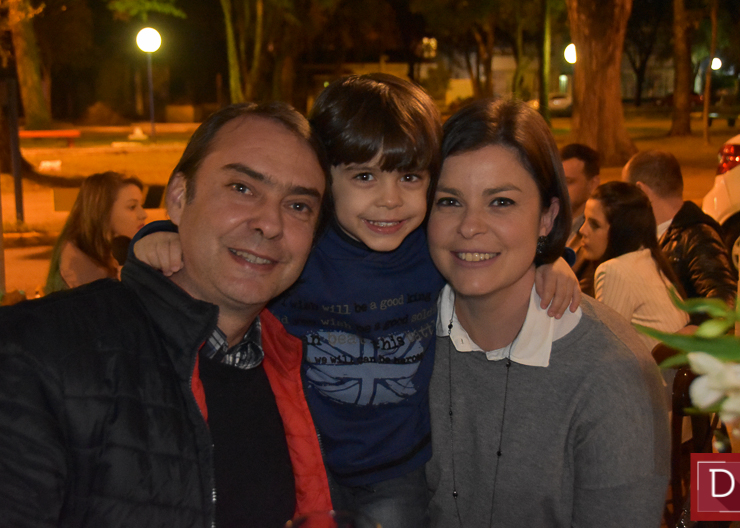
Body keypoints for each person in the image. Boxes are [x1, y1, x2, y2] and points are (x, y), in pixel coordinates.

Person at [134, 74, 580, 527]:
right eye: (364, 176)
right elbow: (217, 247)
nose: (390, 200)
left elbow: (489, 252)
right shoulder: (302, 248)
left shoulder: (430, 249)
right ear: (325, 179)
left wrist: (550, 260)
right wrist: (162, 234)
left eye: (410, 177)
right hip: (304, 457)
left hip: (398, 470)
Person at [0, 103, 332, 527]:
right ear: (178, 197)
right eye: (242, 188)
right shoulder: (32, 351)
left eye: (299, 206)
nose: (270, 223)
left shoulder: (302, 367)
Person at [426, 100, 670, 527]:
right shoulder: (400, 333)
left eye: (501, 202)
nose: (469, 226)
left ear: (548, 217)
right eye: (449, 201)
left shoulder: (612, 372)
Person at [622, 150, 737, 316]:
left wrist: (690, 329)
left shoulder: (697, 236)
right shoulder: (647, 235)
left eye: (628, 193)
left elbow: (724, 298)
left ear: (642, 191)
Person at [580, 181, 690, 350]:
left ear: (620, 232)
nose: (582, 230)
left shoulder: (614, 270)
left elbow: (605, 351)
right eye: (584, 220)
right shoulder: (648, 260)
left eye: (594, 224)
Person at [44, 171, 147, 293]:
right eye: (132, 207)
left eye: (142, 205)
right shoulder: (79, 261)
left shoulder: (111, 250)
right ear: (103, 210)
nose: (143, 214)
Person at [560, 143, 600, 296]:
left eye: (568, 181)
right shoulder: (543, 223)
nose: (560, 188)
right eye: (557, 181)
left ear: (593, 184)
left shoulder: (599, 234)